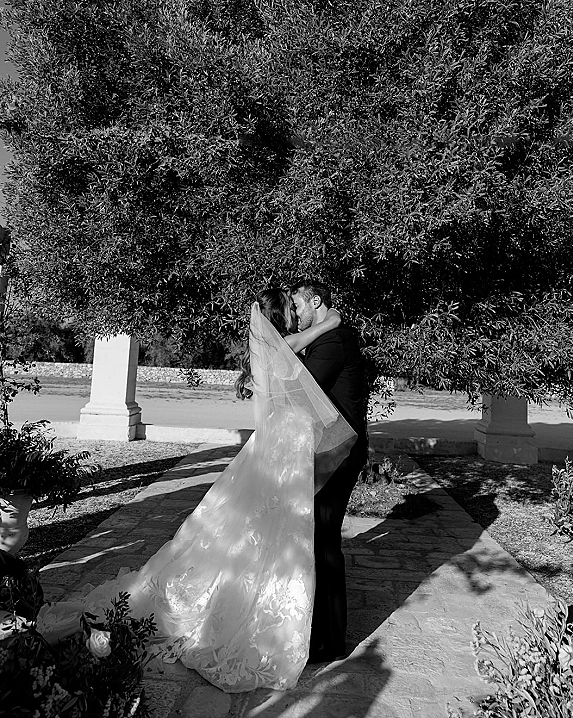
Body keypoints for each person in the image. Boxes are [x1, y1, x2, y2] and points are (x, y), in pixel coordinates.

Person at [37, 287, 357, 693]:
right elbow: (293, 362)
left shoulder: (277, 349)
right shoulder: (281, 350)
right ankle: (263, 612)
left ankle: (284, 609)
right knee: (271, 529)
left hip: (285, 446)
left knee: (272, 531)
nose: (296, 313)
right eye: (291, 309)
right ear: (280, 319)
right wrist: (329, 323)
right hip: (285, 447)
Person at [290, 279, 367, 664]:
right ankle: (319, 632)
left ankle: (330, 642)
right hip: (332, 450)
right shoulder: (329, 336)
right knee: (320, 538)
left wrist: (326, 326)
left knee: (324, 540)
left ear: (316, 302)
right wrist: (326, 323)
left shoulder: (332, 342)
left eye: (297, 306)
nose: (294, 314)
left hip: (339, 453)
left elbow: (298, 390)